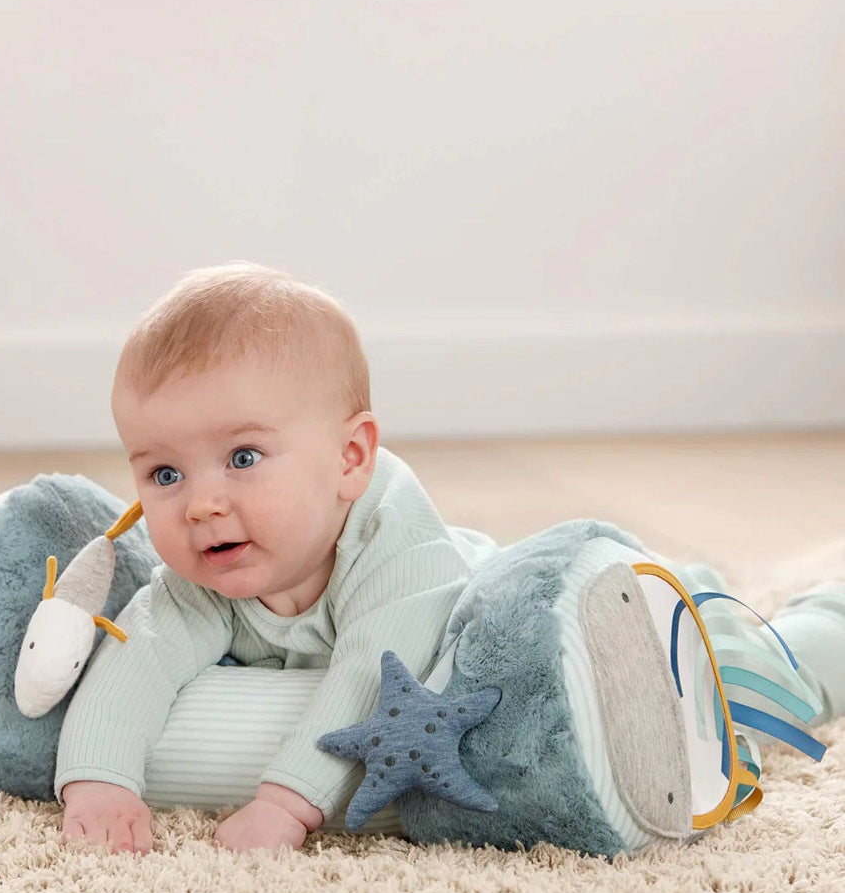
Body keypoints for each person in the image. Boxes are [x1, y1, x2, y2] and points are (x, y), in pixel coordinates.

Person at [56, 262, 845, 854]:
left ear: (350, 458)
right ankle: (699, 584)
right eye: (164, 473)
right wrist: (97, 780)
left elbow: (372, 679)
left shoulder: (400, 555)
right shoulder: (205, 568)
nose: (198, 503)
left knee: (753, 683)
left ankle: (817, 626)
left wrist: (283, 803)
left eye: (243, 457)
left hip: (522, 640)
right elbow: (136, 661)